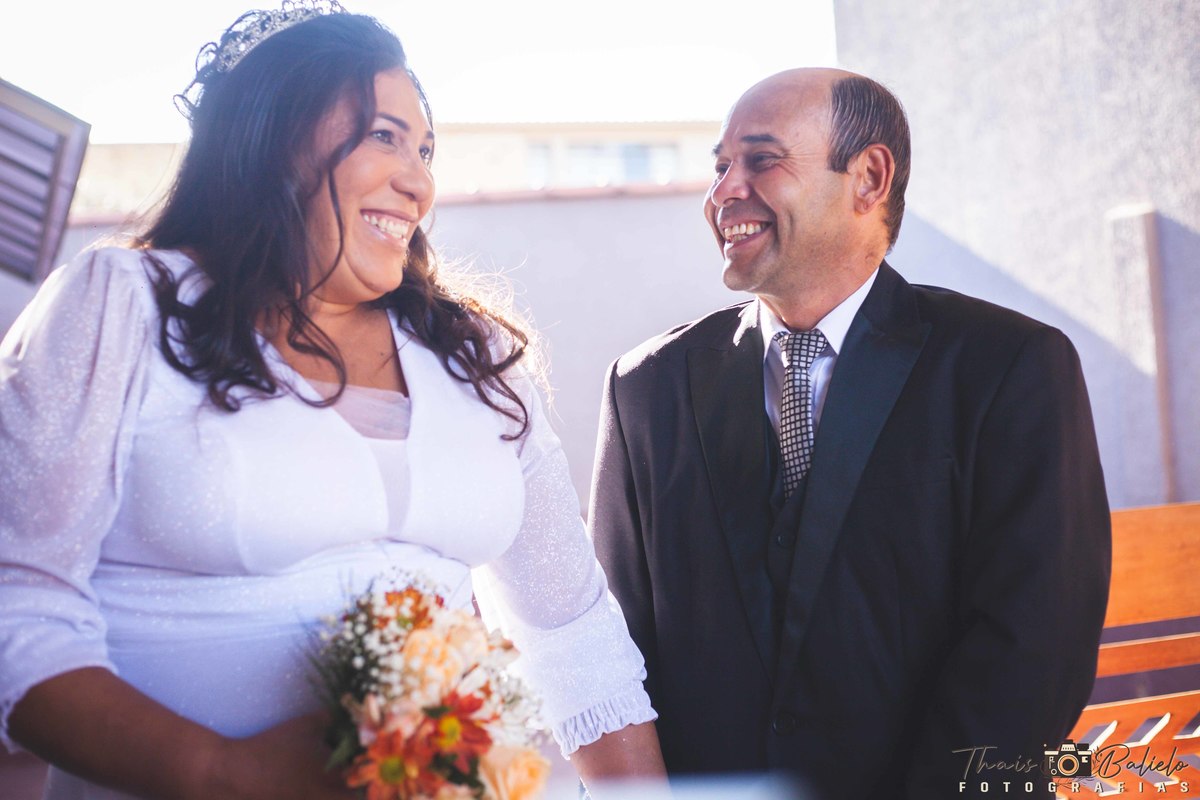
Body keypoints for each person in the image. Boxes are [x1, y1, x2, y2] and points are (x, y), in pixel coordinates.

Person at [0, 4, 665, 798]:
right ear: (272, 136)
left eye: (425, 150)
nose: (419, 181)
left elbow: (573, 634)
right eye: (384, 136)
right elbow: (18, 602)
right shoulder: (122, 303)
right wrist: (224, 772)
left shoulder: (476, 355)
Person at [588, 67, 1110, 799]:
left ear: (869, 178)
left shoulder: (1010, 368)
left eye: (761, 159)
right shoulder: (644, 387)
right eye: (720, 166)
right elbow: (610, 648)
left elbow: (1034, 649)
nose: (724, 191)